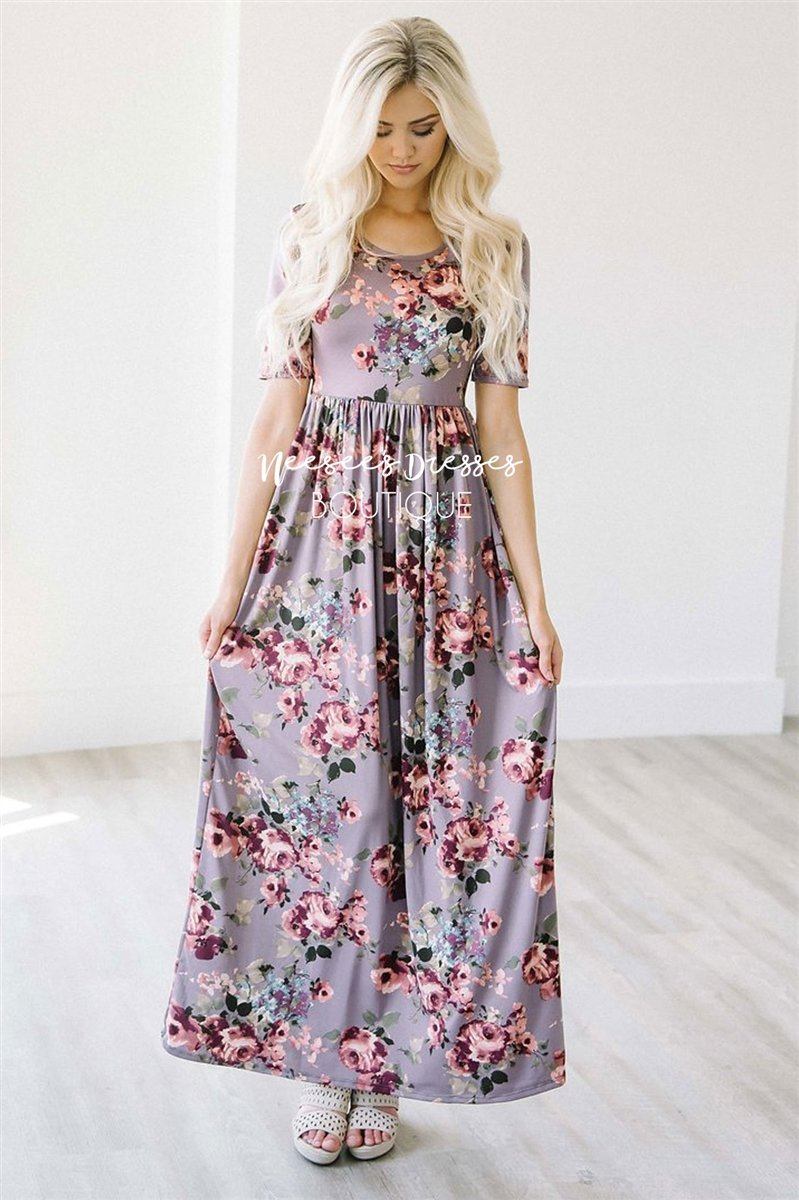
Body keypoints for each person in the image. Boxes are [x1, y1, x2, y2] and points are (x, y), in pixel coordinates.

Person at [161, 14, 566, 1166]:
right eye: (382, 127)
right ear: (352, 128)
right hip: (318, 554)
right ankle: (322, 1058)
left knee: (437, 812)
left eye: (422, 127)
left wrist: (535, 599)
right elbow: (275, 420)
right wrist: (229, 578)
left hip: (446, 556)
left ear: (453, 127)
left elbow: (501, 436)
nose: (400, 148)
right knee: (326, 813)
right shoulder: (312, 237)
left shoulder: (493, 247)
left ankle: (389, 1061)